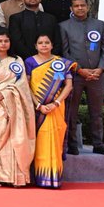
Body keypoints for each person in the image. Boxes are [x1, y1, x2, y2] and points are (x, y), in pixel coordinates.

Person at [60, 0, 104, 156]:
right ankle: (72, 145)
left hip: (97, 76)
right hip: (76, 76)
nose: (80, 8)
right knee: (71, 112)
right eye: (76, 6)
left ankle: (98, 143)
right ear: (71, 8)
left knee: (96, 112)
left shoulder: (99, 25)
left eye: (82, 5)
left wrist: (101, 68)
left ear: (88, 6)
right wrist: (79, 70)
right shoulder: (64, 26)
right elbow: (65, 52)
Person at [0, 32, 37, 186]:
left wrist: (10, 91)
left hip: (16, 101)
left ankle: (19, 177)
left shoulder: (17, 60)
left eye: (6, 40)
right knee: (0, 137)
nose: (3, 44)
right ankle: (2, 176)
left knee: (17, 135)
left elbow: (22, 83)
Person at [25, 34, 75, 188]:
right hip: (38, 109)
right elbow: (26, 86)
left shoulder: (60, 63)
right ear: (35, 46)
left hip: (56, 108)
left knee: (55, 140)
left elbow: (68, 85)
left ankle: (55, 178)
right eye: (40, 43)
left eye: (47, 42)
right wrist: (39, 105)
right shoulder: (29, 62)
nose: (44, 45)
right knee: (41, 141)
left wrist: (56, 103)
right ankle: (41, 178)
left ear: (52, 45)